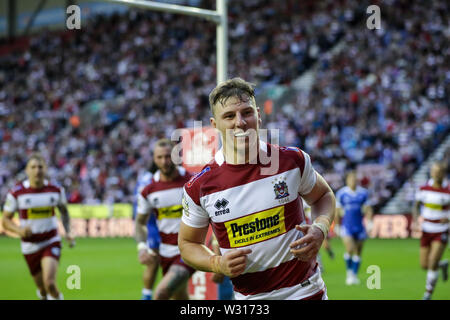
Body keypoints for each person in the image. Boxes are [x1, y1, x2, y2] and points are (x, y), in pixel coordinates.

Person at [178, 78, 336, 300]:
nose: (240, 122)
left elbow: (323, 195)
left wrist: (320, 228)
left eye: (247, 112)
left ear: (259, 115)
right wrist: (217, 263)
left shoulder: (292, 160)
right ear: (215, 125)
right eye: (229, 116)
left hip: (306, 291)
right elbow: (187, 244)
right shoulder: (200, 186)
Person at [2, 153, 75, 300]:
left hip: (50, 240)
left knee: (50, 283)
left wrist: (68, 232)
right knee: (42, 289)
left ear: (45, 169)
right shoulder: (17, 193)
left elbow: (64, 212)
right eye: (33, 167)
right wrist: (19, 230)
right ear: (27, 170)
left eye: (40, 167)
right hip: (29, 245)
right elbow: (5, 220)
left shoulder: (55, 190)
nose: (37, 170)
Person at [135, 139, 195, 300]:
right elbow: (140, 222)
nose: (164, 161)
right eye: (160, 157)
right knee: (180, 297)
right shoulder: (148, 190)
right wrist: (141, 247)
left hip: (189, 251)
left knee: (161, 293)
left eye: (168, 156)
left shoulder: (192, 182)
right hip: (165, 252)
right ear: (154, 160)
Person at [412, 161, 449, 300]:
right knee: (424, 265)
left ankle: (428, 293)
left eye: (439, 172)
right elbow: (415, 205)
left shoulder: (448, 189)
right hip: (426, 229)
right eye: (434, 171)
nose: (436, 174)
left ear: (443, 173)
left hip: (441, 230)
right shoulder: (423, 188)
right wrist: (415, 220)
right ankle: (442, 265)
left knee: (432, 261)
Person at [335, 170, 373, 286]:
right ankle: (349, 273)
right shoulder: (342, 193)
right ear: (347, 180)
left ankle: (354, 275)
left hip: (359, 226)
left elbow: (368, 208)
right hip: (347, 226)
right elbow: (337, 210)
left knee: (358, 252)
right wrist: (337, 225)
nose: (353, 181)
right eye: (351, 179)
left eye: (355, 179)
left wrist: (370, 221)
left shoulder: (363, 193)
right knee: (350, 248)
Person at [133, 170, 161, 300]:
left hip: (149, 221)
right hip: (153, 222)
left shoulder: (143, 177)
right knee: (153, 262)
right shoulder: (152, 178)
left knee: (154, 262)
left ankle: (147, 295)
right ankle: (147, 295)